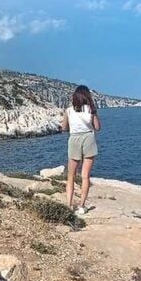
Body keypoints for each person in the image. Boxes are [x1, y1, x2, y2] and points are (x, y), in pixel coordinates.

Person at [61, 85, 101, 216]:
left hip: (74, 139)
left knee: (71, 175)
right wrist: (93, 115)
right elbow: (97, 127)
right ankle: (82, 206)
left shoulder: (69, 111)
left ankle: (69, 205)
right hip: (89, 138)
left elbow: (64, 128)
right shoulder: (90, 110)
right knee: (85, 176)